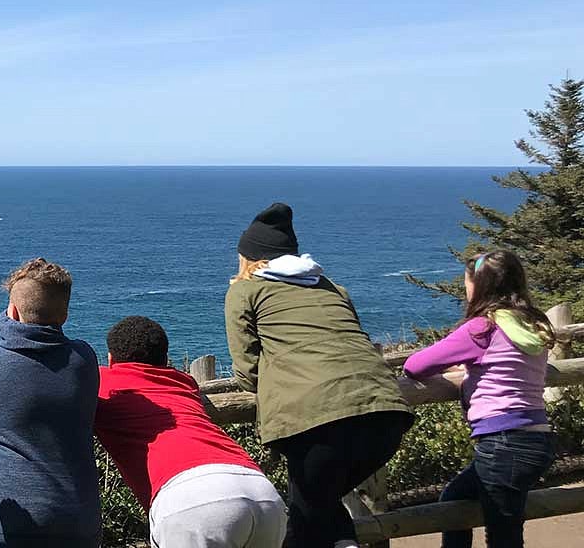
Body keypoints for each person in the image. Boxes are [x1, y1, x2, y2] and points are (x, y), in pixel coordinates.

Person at [224, 202, 413, 548]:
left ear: (249, 258)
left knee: (306, 515)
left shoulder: (244, 290)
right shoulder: (332, 287)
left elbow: (246, 368)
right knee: (317, 508)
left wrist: (273, 383)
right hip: (386, 414)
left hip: (314, 422)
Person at [404, 251, 556, 548]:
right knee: (455, 498)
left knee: (504, 538)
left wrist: (461, 367)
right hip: (538, 440)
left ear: (479, 287)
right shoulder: (533, 325)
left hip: (503, 443)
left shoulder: (481, 329)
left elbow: (415, 366)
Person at [95, 316, 287, 547]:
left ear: (110, 359)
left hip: (190, 498)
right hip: (259, 489)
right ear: (165, 359)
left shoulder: (100, 382)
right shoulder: (183, 382)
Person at [0, 257, 101, 547]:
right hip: (77, 521)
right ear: (64, 316)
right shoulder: (83, 359)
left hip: (10, 523)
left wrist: (7, 323)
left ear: (11, 310)